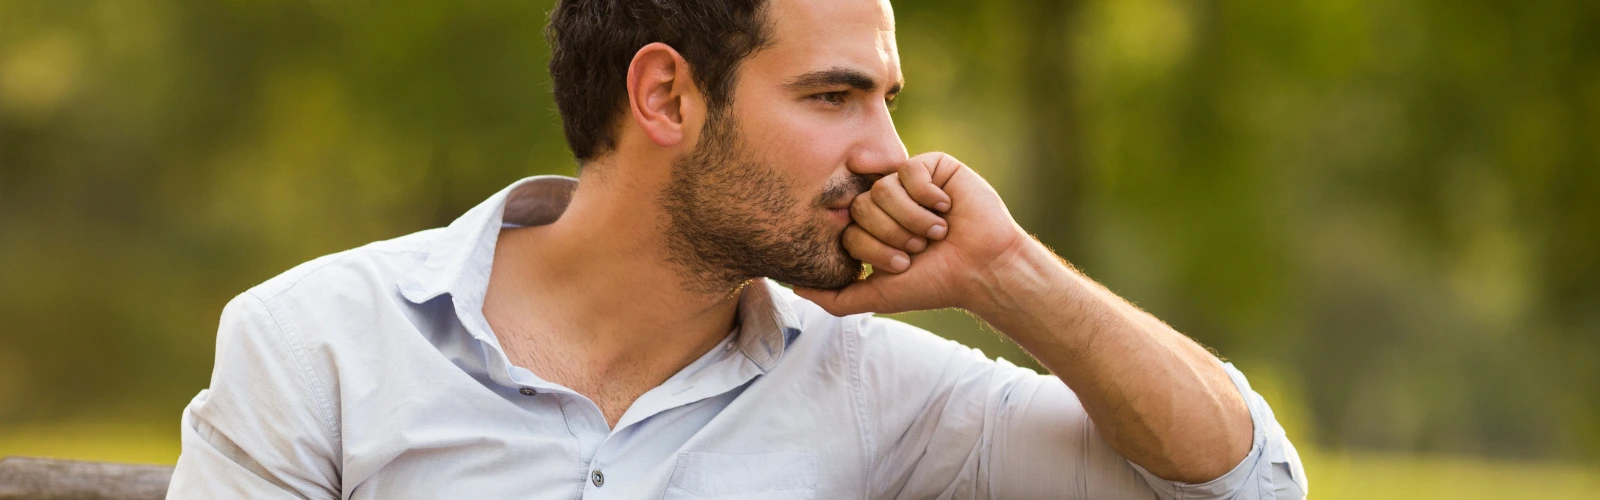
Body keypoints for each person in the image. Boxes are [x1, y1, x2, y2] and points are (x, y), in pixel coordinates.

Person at [167, 0, 1307, 498]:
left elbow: (1245, 483)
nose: (888, 154)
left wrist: (1004, 274)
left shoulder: (871, 387)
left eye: (886, 100)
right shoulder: (316, 341)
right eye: (833, 96)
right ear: (665, 94)